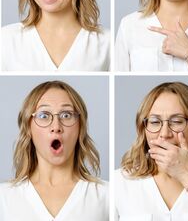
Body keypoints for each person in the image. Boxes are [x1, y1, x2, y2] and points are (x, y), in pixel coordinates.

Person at [0, 80, 109, 220]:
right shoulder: (4, 197)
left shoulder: (106, 195)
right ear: (28, 128)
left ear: (80, 128)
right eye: (44, 116)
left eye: (66, 115)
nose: (56, 126)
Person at [115, 82, 188, 220]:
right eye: (155, 122)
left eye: (177, 122)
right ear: (143, 129)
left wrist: (187, 174)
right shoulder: (119, 182)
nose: (165, 133)